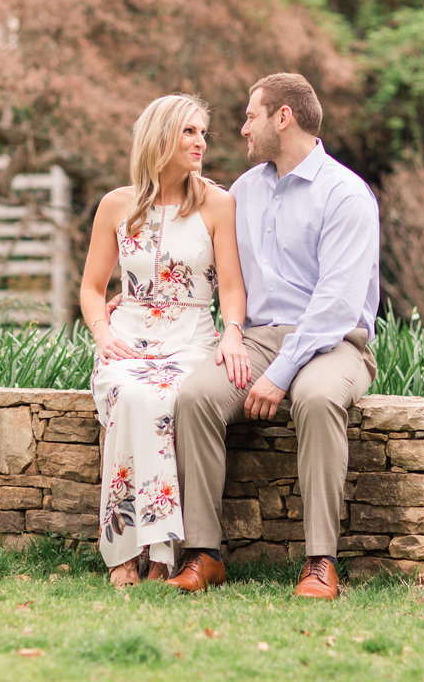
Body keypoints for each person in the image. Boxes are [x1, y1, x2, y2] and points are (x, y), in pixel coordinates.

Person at [167, 73, 379, 600]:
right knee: (195, 397)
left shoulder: (346, 194)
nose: (241, 129)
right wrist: (138, 295)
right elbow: (204, 261)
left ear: (283, 117)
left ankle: (320, 563)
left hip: (335, 342)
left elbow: (335, 305)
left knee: (317, 397)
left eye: (249, 116)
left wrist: (281, 374)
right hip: (259, 338)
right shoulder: (243, 191)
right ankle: (204, 554)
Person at [80, 93, 250, 588]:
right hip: (127, 340)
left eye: (203, 132)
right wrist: (103, 333)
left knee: (166, 398)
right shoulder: (116, 204)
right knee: (132, 394)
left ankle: (161, 552)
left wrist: (233, 334)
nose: (201, 142)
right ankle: (124, 551)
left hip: (192, 340)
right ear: (160, 137)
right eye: (189, 132)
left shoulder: (218, 204)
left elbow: (234, 287)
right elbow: (92, 288)